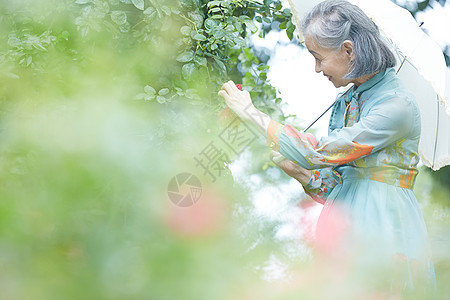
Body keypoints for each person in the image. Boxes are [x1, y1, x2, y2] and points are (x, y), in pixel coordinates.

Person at [218, 0, 435, 294]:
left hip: (383, 225)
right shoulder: (350, 100)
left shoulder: (397, 106)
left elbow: (319, 153)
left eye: (318, 57)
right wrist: (302, 175)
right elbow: (340, 185)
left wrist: (251, 114)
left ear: (348, 50)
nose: (317, 69)